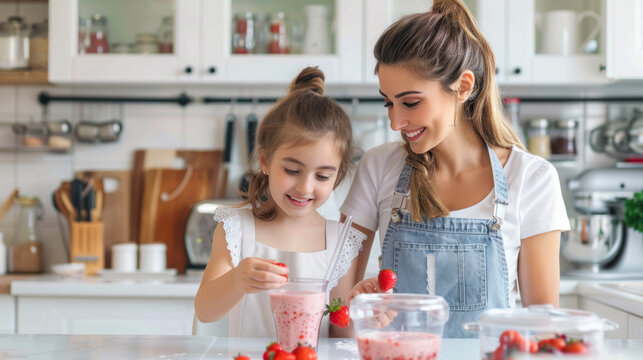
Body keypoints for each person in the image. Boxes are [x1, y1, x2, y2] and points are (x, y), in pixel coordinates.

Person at [336, 0, 570, 338]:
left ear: (463, 87)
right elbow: (339, 312)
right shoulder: (378, 167)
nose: (395, 122)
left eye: (411, 102)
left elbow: (543, 328)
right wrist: (360, 310)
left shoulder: (532, 179)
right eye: (388, 102)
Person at [194, 67, 366, 338]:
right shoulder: (237, 230)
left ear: (338, 176)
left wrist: (364, 314)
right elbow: (205, 311)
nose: (305, 187)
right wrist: (236, 280)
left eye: (322, 176)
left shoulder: (341, 241)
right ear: (265, 160)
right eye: (292, 170)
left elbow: (339, 334)